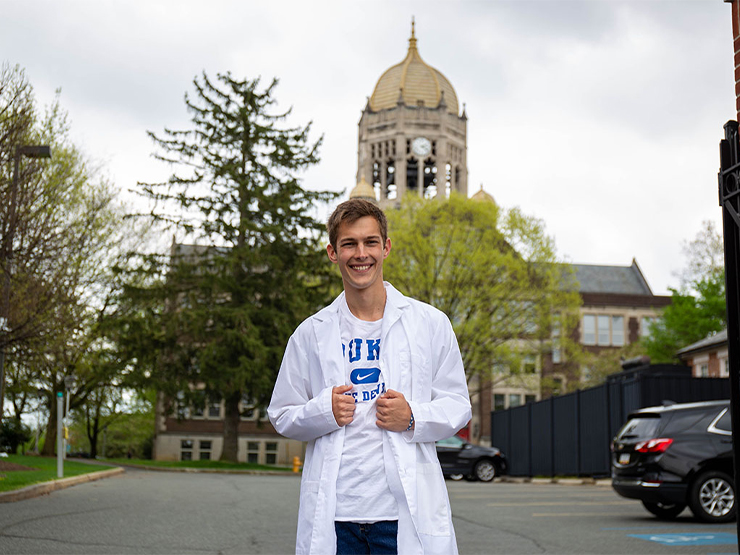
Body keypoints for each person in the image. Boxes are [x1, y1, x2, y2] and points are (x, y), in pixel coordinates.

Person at [268, 199, 472, 555]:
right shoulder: (310, 333)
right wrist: (323, 411)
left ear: (386, 247)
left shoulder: (430, 324)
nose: (360, 254)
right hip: (336, 518)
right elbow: (282, 413)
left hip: (401, 516)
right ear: (333, 252)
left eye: (370, 242)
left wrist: (412, 417)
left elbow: (458, 405)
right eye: (349, 244)